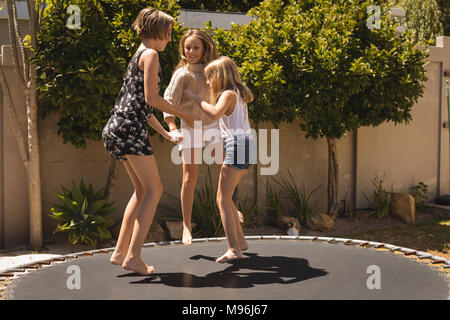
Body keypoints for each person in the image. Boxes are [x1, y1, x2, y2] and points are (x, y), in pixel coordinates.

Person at [102, 7, 192, 275]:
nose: (171, 36)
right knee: (154, 190)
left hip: (118, 127)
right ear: (159, 31)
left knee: (142, 192)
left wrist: (166, 134)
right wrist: (186, 114)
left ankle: (120, 252)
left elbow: (142, 106)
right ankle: (133, 256)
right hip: (129, 129)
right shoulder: (151, 55)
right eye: (169, 31)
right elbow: (152, 99)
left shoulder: (138, 55)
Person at [163, 30, 243, 245]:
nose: (190, 52)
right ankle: (187, 226)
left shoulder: (213, 70)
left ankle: (234, 209)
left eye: (195, 47)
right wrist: (172, 127)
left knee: (228, 171)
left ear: (205, 48)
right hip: (190, 129)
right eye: (187, 48)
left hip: (213, 127)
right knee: (190, 178)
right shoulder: (182, 74)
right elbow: (168, 101)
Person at [187, 56, 256, 263]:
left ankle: (233, 249)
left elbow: (215, 114)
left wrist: (197, 99)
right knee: (227, 197)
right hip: (246, 146)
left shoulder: (227, 93)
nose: (208, 83)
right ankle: (241, 241)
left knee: (222, 199)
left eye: (209, 78)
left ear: (219, 76)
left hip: (237, 146)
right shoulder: (238, 93)